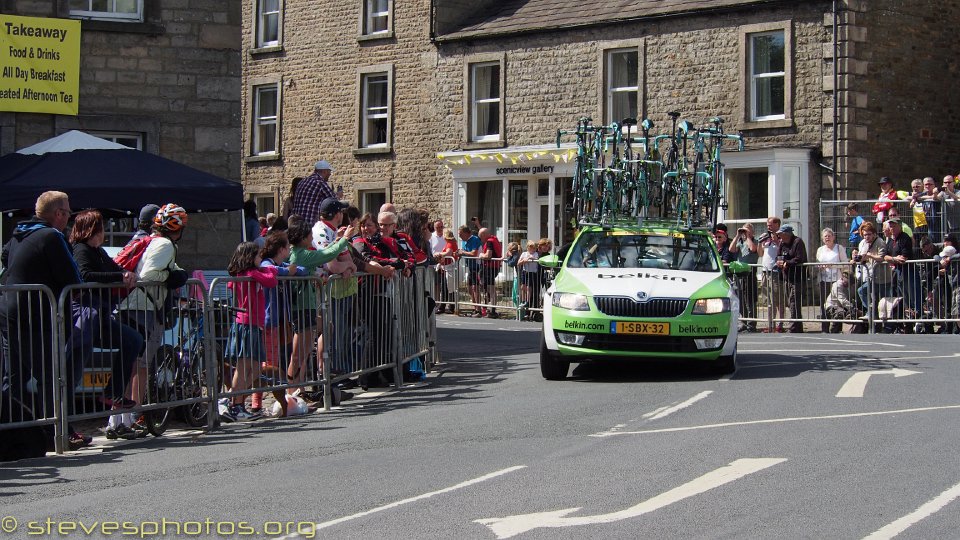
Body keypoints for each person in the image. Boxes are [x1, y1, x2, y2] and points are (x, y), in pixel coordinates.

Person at [0, 191, 87, 451]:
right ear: (58, 214)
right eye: (68, 212)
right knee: (51, 375)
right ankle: (59, 432)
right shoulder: (52, 236)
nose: (70, 216)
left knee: (13, 376)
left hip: (9, 310)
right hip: (34, 313)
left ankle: (12, 433)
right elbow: (74, 279)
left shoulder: (18, 234)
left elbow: (6, 259)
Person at [69, 211, 144, 440]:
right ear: (93, 229)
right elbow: (85, 274)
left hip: (99, 317)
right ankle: (65, 426)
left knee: (133, 340)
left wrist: (125, 274)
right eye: (101, 228)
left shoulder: (98, 251)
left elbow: (114, 268)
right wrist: (118, 277)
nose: (103, 233)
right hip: (84, 317)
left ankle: (112, 392)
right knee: (73, 370)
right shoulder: (81, 249)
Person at [118, 203, 189, 435]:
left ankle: (119, 421)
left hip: (135, 305)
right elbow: (149, 275)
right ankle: (125, 420)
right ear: (177, 229)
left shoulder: (152, 241)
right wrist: (173, 276)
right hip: (143, 307)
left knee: (130, 365)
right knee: (138, 364)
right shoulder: (165, 244)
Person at [286, 215, 352, 394]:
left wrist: (337, 240)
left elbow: (322, 253)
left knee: (308, 347)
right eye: (309, 235)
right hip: (302, 307)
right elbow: (325, 255)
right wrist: (345, 239)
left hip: (306, 306)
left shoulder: (300, 253)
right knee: (299, 353)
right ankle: (292, 392)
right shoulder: (301, 254)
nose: (311, 238)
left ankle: (299, 390)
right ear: (302, 238)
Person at [250, 232, 305, 415]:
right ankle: (256, 402)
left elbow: (301, 270)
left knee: (278, 362)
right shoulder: (267, 263)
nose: (289, 250)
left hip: (282, 320)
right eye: (287, 247)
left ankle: (282, 399)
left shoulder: (280, 264)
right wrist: (286, 271)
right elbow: (269, 272)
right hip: (269, 320)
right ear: (281, 249)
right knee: (267, 365)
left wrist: (290, 269)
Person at [222, 242, 278, 422]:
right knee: (243, 367)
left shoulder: (249, 274)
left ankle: (232, 399)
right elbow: (271, 280)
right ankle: (235, 404)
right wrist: (270, 270)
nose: (261, 259)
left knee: (254, 368)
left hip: (253, 325)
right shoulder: (250, 273)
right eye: (258, 256)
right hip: (246, 324)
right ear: (249, 257)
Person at [853, 221, 892, 321]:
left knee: (884, 302)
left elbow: (882, 257)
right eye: (865, 235)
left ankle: (886, 325)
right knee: (861, 291)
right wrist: (857, 258)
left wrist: (869, 256)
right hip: (872, 277)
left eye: (869, 234)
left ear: (874, 233)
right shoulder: (864, 243)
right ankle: (871, 312)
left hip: (883, 278)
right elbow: (865, 258)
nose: (867, 237)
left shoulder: (880, 242)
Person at [884, 217, 919, 330]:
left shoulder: (904, 238)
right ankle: (906, 324)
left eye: (894, 226)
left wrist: (893, 259)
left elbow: (903, 257)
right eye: (891, 226)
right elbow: (885, 256)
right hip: (897, 273)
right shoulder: (890, 240)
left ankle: (919, 322)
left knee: (912, 297)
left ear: (899, 226)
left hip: (908, 271)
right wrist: (894, 258)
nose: (892, 228)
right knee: (902, 298)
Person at [775, 225, 807, 333]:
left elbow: (799, 258)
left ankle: (794, 326)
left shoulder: (798, 242)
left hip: (797, 277)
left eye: (781, 234)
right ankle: (797, 326)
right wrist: (779, 262)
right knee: (790, 302)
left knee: (794, 301)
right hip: (786, 277)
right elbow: (778, 256)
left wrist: (787, 263)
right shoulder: (782, 243)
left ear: (787, 233)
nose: (779, 236)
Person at [816, 228, 848, 332]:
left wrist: (833, 266)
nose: (827, 238)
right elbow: (816, 263)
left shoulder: (839, 248)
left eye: (829, 236)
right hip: (823, 280)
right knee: (824, 305)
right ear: (822, 238)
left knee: (836, 304)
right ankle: (824, 328)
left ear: (833, 237)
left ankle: (836, 328)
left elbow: (845, 263)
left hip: (836, 280)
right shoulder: (820, 250)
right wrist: (819, 267)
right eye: (825, 236)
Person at [730, 223, 758, 331]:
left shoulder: (754, 241)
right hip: (739, 272)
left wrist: (748, 237)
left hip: (750, 272)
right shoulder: (740, 242)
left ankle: (751, 324)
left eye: (748, 230)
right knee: (740, 298)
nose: (745, 232)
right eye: (744, 230)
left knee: (750, 298)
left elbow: (753, 249)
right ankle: (744, 322)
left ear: (752, 232)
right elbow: (731, 250)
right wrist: (737, 236)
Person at [758, 216, 784, 331]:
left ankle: (780, 323)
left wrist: (776, 240)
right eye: (767, 225)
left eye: (771, 225)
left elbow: (782, 249)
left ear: (777, 225)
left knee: (778, 299)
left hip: (776, 272)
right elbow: (760, 253)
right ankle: (771, 323)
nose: (768, 227)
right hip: (765, 271)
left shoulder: (781, 236)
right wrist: (760, 242)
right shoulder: (765, 237)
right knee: (769, 299)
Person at [292, 160, 336, 225]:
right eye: (329, 171)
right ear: (324, 171)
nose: (330, 174)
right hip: (309, 224)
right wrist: (338, 195)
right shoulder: (320, 182)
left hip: (296, 224)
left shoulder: (302, 181)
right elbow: (334, 201)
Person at [476, 227, 503, 318]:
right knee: (489, 289)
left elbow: (488, 255)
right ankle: (490, 309)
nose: (481, 239)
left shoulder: (490, 241)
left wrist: (481, 255)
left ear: (484, 235)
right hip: (492, 267)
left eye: (480, 237)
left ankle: (492, 311)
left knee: (491, 289)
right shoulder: (494, 239)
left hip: (490, 268)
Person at [457, 225, 482, 316]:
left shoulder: (474, 239)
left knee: (475, 288)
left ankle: (478, 309)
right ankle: (475, 307)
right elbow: (464, 251)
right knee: (469, 288)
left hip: (477, 266)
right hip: (470, 267)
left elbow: (473, 253)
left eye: (461, 234)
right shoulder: (464, 241)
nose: (459, 236)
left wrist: (462, 252)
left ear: (467, 233)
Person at [435, 229, 459, 314]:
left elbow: (448, 253)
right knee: (446, 287)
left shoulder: (450, 243)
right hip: (446, 268)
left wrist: (439, 254)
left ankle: (448, 306)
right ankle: (445, 306)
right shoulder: (452, 243)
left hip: (449, 268)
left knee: (449, 287)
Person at [517, 241, 540, 320]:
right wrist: (523, 260)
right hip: (525, 272)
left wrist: (530, 258)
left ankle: (527, 301)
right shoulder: (524, 254)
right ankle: (523, 301)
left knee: (529, 288)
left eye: (533, 247)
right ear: (527, 247)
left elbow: (536, 259)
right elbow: (518, 263)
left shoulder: (536, 254)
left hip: (532, 273)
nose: (531, 249)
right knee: (523, 287)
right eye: (530, 247)